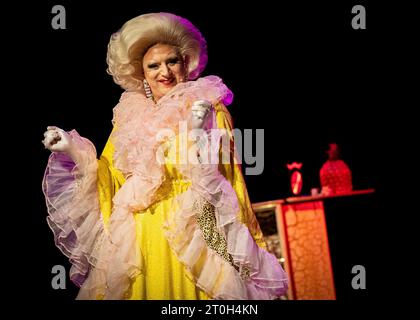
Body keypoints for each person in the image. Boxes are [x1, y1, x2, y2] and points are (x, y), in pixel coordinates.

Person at [42, 12, 288, 300]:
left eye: (172, 61)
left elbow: (223, 174)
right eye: (154, 66)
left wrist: (196, 134)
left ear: (186, 64)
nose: (165, 72)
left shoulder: (207, 105)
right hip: (141, 237)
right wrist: (71, 148)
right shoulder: (129, 117)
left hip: (194, 231)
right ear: (142, 74)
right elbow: (110, 176)